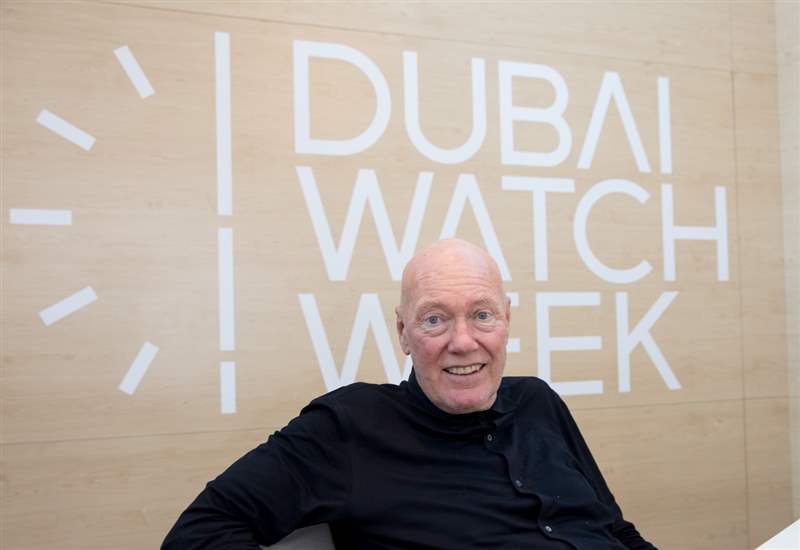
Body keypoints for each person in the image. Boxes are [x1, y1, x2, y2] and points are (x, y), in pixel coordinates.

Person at [162, 238, 656, 549]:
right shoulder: (349, 426)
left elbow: (613, 528)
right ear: (403, 332)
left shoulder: (538, 401)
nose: (463, 341)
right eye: (435, 319)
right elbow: (201, 531)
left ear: (506, 320)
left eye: (482, 314)